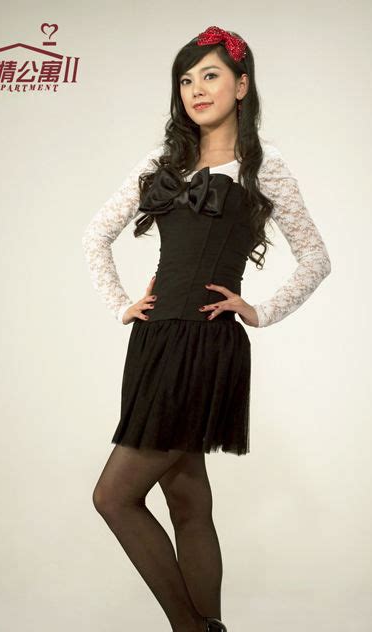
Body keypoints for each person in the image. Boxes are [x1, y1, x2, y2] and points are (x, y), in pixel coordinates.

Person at [81, 25, 331, 632]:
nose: (196, 88)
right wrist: (122, 304)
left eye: (211, 75)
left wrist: (259, 309)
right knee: (187, 499)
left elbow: (316, 258)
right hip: (153, 342)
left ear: (241, 86)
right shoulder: (161, 164)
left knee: (113, 497)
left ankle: (192, 630)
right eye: (186, 79)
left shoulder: (265, 168)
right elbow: (95, 236)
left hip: (204, 345)